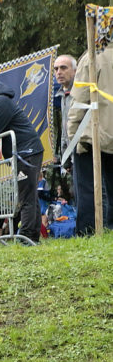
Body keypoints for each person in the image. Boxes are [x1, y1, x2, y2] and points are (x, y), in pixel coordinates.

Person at [0, 74, 44, 243]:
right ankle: (31, 237)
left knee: (26, 197)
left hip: (26, 151)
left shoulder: (0, 101)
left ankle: (26, 237)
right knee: (29, 195)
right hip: (25, 151)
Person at [68, 47, 113, 234]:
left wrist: (72, 133)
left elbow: (80, 98)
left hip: (94, 133)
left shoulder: (93, 57)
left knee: (87, 188)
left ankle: (87, 232)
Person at [54, 54, 77, 162]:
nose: (59, 72)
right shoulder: (62, 95)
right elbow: (65, 128)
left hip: (84, 152)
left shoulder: (81, 92)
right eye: (56, 69)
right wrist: (65, 155)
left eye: (63, 68)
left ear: (75, 71)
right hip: (71, 156)